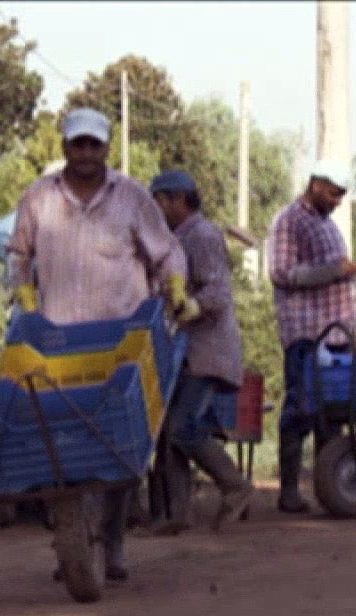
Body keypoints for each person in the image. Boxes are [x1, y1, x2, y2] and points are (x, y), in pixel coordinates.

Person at [7, 107, 196, 580]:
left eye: (94, 145)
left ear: (106, 147)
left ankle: (112, 541)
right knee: (63, 443)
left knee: (120, 447)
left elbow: (166, 250)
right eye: (78, 144)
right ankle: (71, 540)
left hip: (121, 340)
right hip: (57, 340)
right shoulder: (39, 198)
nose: (86, 153)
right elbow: (18, 254)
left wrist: (175, 289)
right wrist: (24, 296)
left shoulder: (132, 197)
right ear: (65, 146)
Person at [147, 169, 253, 535]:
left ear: (177, 200)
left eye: (160, 201)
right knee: (170, 433)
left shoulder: (202, 236)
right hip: (185, 352)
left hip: (206, 352)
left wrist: (189, 306)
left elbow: (218, 295)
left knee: (183, 428)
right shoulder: (179, 238)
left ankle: (234, 486)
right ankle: (178, 515)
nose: (157, 209)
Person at [266, 158, 356, 513]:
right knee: (299, 409)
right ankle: (289, 490)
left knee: (331, 413)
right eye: (335, 193)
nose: (338, 200)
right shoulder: (290, 220)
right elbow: (280, 272)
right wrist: (334, 271)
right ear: (318, 185)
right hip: (306, 331)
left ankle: (330, 491)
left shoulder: (326, 223)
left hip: (334, 334)